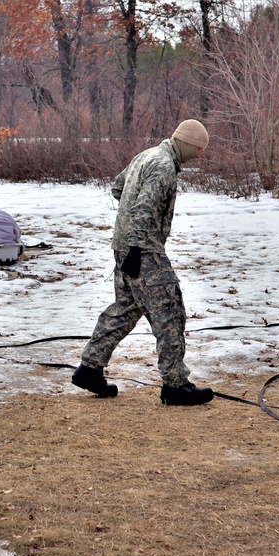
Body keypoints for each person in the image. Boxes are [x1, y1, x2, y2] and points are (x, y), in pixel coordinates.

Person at [71, 119, 214, 406]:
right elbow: (144, 207)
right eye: (198, 149)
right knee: (170, 312)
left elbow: (118, 187)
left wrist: (128, 239)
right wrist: (137, 246)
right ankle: (175, 385)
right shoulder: (162, 166)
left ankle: (90, 368)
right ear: (186, 143)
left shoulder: (147, 155)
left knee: (125, 309)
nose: (199, 155)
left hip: (124, 246)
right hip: (142, 250)